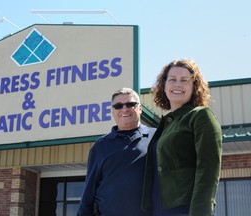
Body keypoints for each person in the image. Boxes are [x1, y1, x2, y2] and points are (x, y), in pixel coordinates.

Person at [141, 59, 222, 216]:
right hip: (157, 210)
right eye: (172, 80)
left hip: (185, 209)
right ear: (164, 86)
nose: (177, 84)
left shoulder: (201, 116)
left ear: (194, 87)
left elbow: (208, 171)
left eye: (184, 80)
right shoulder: (165, 125)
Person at [77, 87, 156, 216]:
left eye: (130, 104)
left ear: (140, 108)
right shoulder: (101, 146)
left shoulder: (157, 138)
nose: (124, 109)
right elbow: (89, 191)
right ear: (113, 111)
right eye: (118, 106)